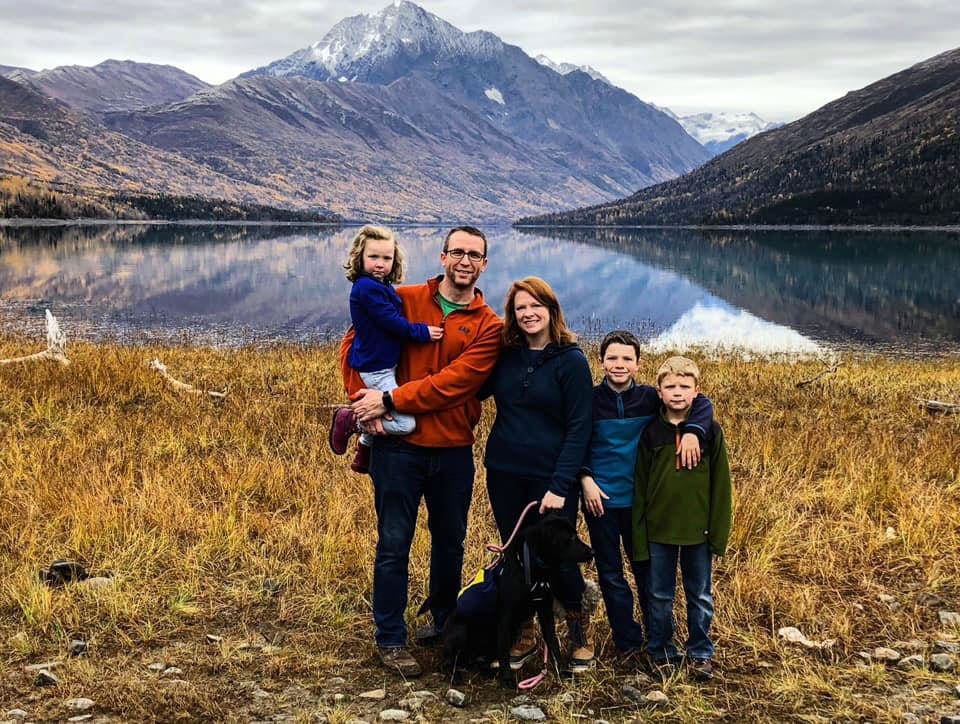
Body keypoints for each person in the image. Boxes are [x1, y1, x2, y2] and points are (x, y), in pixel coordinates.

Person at [340, 226, 502, 677]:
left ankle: (443, 624)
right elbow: (353, 347)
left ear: (484, 264)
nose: (465, 261)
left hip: (452, 450)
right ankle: (390, 638)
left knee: (450, 543)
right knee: (394, 543)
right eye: (457, 252)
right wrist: (361, 399)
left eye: (475, 255)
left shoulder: (489, 325)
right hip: (398, 450)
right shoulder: (403, 298)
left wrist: (390, 400)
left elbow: (458, 384)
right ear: (443, 256)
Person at [480, 276, 596, 673]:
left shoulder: (572, 360)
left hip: (551, 479)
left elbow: (581, 427)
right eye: (519, 308)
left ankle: (578, 628)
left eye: (535, 307)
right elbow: (470, 387)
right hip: (504, 471)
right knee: (516, 557)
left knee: (560, 557)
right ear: (512, 315)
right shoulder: (506, 355)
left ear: (551, 310)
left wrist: (561, 485)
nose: (528, 314)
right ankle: (525, 630)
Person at [579, 331, 714, 661]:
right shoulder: (589, 400)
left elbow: (701, 402)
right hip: (600, 501)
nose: (619, 364)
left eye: (627, 358)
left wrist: (695, 431)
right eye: (612, 358)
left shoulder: (649, 399)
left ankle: (658, 639)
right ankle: (627, 639)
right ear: (601, 362)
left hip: (642, 503)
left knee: (647, 571)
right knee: (611, 573)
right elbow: (573, 438)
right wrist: (585, 477)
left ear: (638, 364)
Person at [632, 356, 732, 681]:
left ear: (696, 391)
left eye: (684, 386)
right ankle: (661, 650)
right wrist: (640, 536)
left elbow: (721, 487)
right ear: (659, 392)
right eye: (670, 386)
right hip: (658, 532)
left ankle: (700, 652)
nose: (677, 393)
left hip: (698, 533)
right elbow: (640, 489)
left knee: (699, 595)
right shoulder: (650, 433)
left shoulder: (710, 432)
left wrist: (718, 533)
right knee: (659, 595)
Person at [329, 225, 443, 474]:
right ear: (360, 258)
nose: (380, 263)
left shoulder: (380, 286)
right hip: (376, 368)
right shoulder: (366, 287)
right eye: (373, 257)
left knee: (379, 408)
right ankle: (351, 420)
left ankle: (364, 451)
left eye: (386, 258)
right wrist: (422, 332)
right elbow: (390, 320)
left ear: (394, 260)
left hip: (381, 364)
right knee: (405, 423)